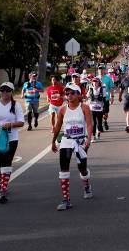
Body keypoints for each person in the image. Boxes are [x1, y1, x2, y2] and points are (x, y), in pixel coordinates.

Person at [51, 83, 93, 211]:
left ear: (78, 94)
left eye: (72, 93)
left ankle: (86, 185)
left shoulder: (84, 108)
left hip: (80, 141)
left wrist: (88, 139)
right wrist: (53, 141)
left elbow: (90, 125)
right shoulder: (63, 109)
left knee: (82, 169)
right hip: (66, 141)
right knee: (64, 169)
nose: (69, 95)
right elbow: (58, 127)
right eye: (67, 93)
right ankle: (66, 199)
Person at [87, 77, 107, 142]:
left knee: (99, 123)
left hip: (100, 108)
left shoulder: (102, 89)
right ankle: (93, 136)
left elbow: (104, 99)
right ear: (92, 83)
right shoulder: (90, 89)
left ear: (99, 83)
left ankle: (98, 132)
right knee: (93, 123)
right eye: (94, 82)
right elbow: (87, 97)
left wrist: (105, 108)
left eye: (96, 82)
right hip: (92, 108)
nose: (95, 83)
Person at [97, 66, 115, 131]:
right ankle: (100, 125)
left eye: (102, 69)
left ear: (104, 70)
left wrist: (112, 97)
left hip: (106, 98)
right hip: (97, 99)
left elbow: (112, 88)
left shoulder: (108, 78)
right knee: (99, 113)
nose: (100, 71)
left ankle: (105, 121)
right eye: (99, 70)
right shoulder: (95, 78)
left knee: (105, 113)